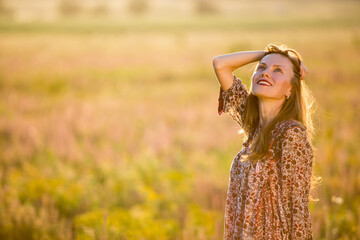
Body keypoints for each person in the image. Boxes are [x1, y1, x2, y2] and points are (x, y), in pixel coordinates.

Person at [212, 44, 317, 239]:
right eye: (262, 68)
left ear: (290, 90)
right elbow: (220, 64)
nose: (266, 73)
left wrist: (274, 57)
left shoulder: (290, 135)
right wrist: (270, 55)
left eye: (278, 71)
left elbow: (297, 212)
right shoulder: (253, 126)